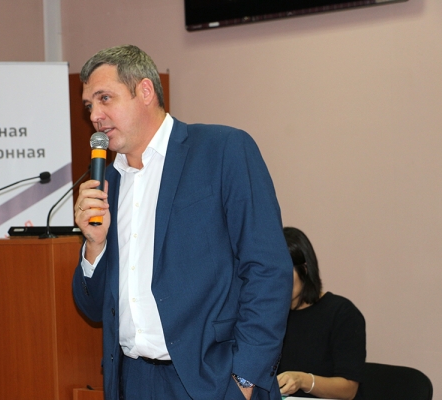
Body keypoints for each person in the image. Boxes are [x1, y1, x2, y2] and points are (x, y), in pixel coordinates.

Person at [71, 44, 292, 400]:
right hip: (132, 381)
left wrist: (245, 379)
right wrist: (94, 246)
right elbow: (94, 310)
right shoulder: (107, 184)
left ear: (145, 91)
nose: (95, 115)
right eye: (89, 106)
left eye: (105, 98)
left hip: (212, 381)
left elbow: (268, 269)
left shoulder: (222, 150)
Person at [277, 227, 366, 400]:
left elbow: (349, 389)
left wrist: (302, 380)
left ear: (305, 269)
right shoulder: (266, 316)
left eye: (284, 273)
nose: (276, 282)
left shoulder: (341, 313)